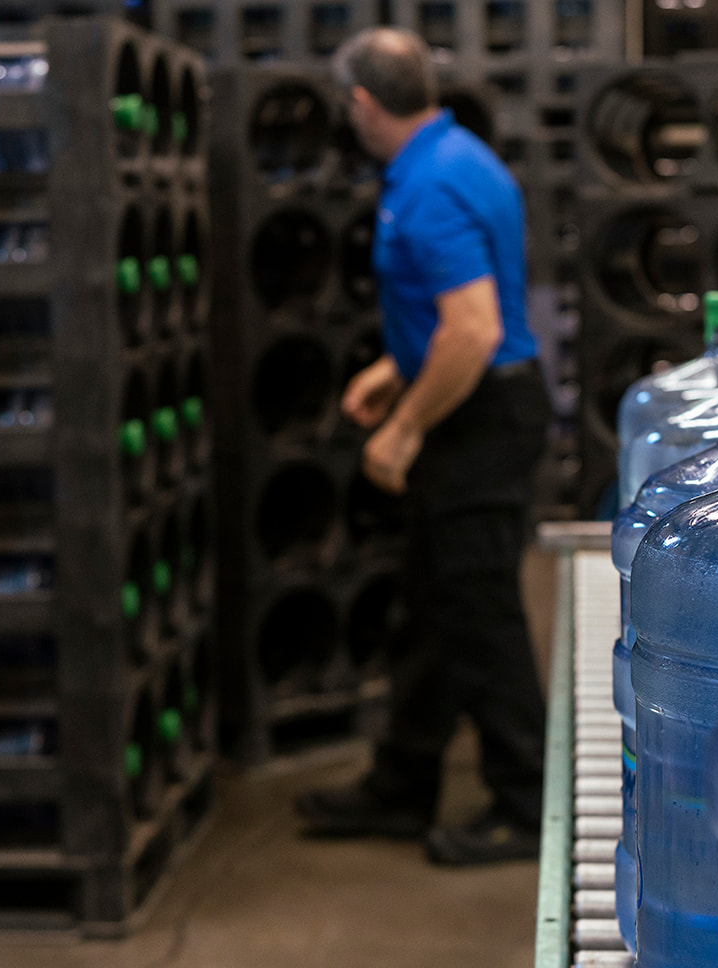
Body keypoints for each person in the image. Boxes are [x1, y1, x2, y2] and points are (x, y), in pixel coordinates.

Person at [294, 27, 551, 864]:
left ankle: (524, 803)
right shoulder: (461, 156)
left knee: (481, 620)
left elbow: (473, 331)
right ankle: (402, 786)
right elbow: (466, 312)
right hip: (481, 402)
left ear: (363, 104)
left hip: (477, 418)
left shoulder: (429, 185)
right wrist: (394, 368)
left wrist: (405, 427)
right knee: (430, 612)